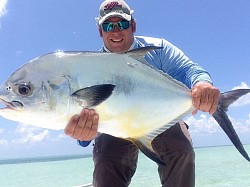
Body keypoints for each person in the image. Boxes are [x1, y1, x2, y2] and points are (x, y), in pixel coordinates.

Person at [64, 0, 220, 186]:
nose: (115, 31)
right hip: (117, 126)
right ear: (100, 31)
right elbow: (82, 125)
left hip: (158, 118)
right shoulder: (91, 68)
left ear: (133, 25)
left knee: (181, 149)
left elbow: (189, 70)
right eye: (108, 25)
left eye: (122, 23)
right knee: (106, 160)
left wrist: (202, 84)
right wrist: (83, 136)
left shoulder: (159, 48)